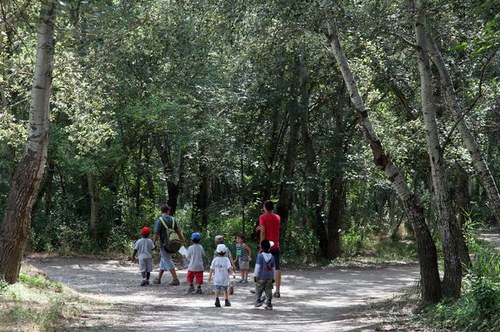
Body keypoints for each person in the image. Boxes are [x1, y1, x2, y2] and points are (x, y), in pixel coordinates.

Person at [152, 204, 186, 285]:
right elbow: (178, 231)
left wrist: (153, 243)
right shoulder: (173, 219)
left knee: (167, 260)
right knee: (164, 260)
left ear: (161, 211)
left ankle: (175, 279)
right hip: (174, 244)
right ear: (168, 211)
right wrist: (183, 241)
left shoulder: (160, 220)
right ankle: (158, 279)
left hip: (164, 245)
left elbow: (156, 233)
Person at [258, 200, 282, 298]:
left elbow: (263, 232)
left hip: (266, 245)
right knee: (277, 268)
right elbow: (272, 227)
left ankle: (262, 289)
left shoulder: (262, 217)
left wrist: (261, 245)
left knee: (262, 267)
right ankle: (277, 291)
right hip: (275, 245)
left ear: (265, 207)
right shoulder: (277, 217)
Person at [253, 239, 275, 310]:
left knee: (258, 289)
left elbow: (257, 267)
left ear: (261, 247)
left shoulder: (260, 256)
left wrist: (255, 276)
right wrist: (273, 277)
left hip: (261, 277)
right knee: (268, 290)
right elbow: (273, 268)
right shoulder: (272, 257)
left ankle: (258, 301)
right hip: (269, 277)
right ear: (269, 247)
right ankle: (269, 304)